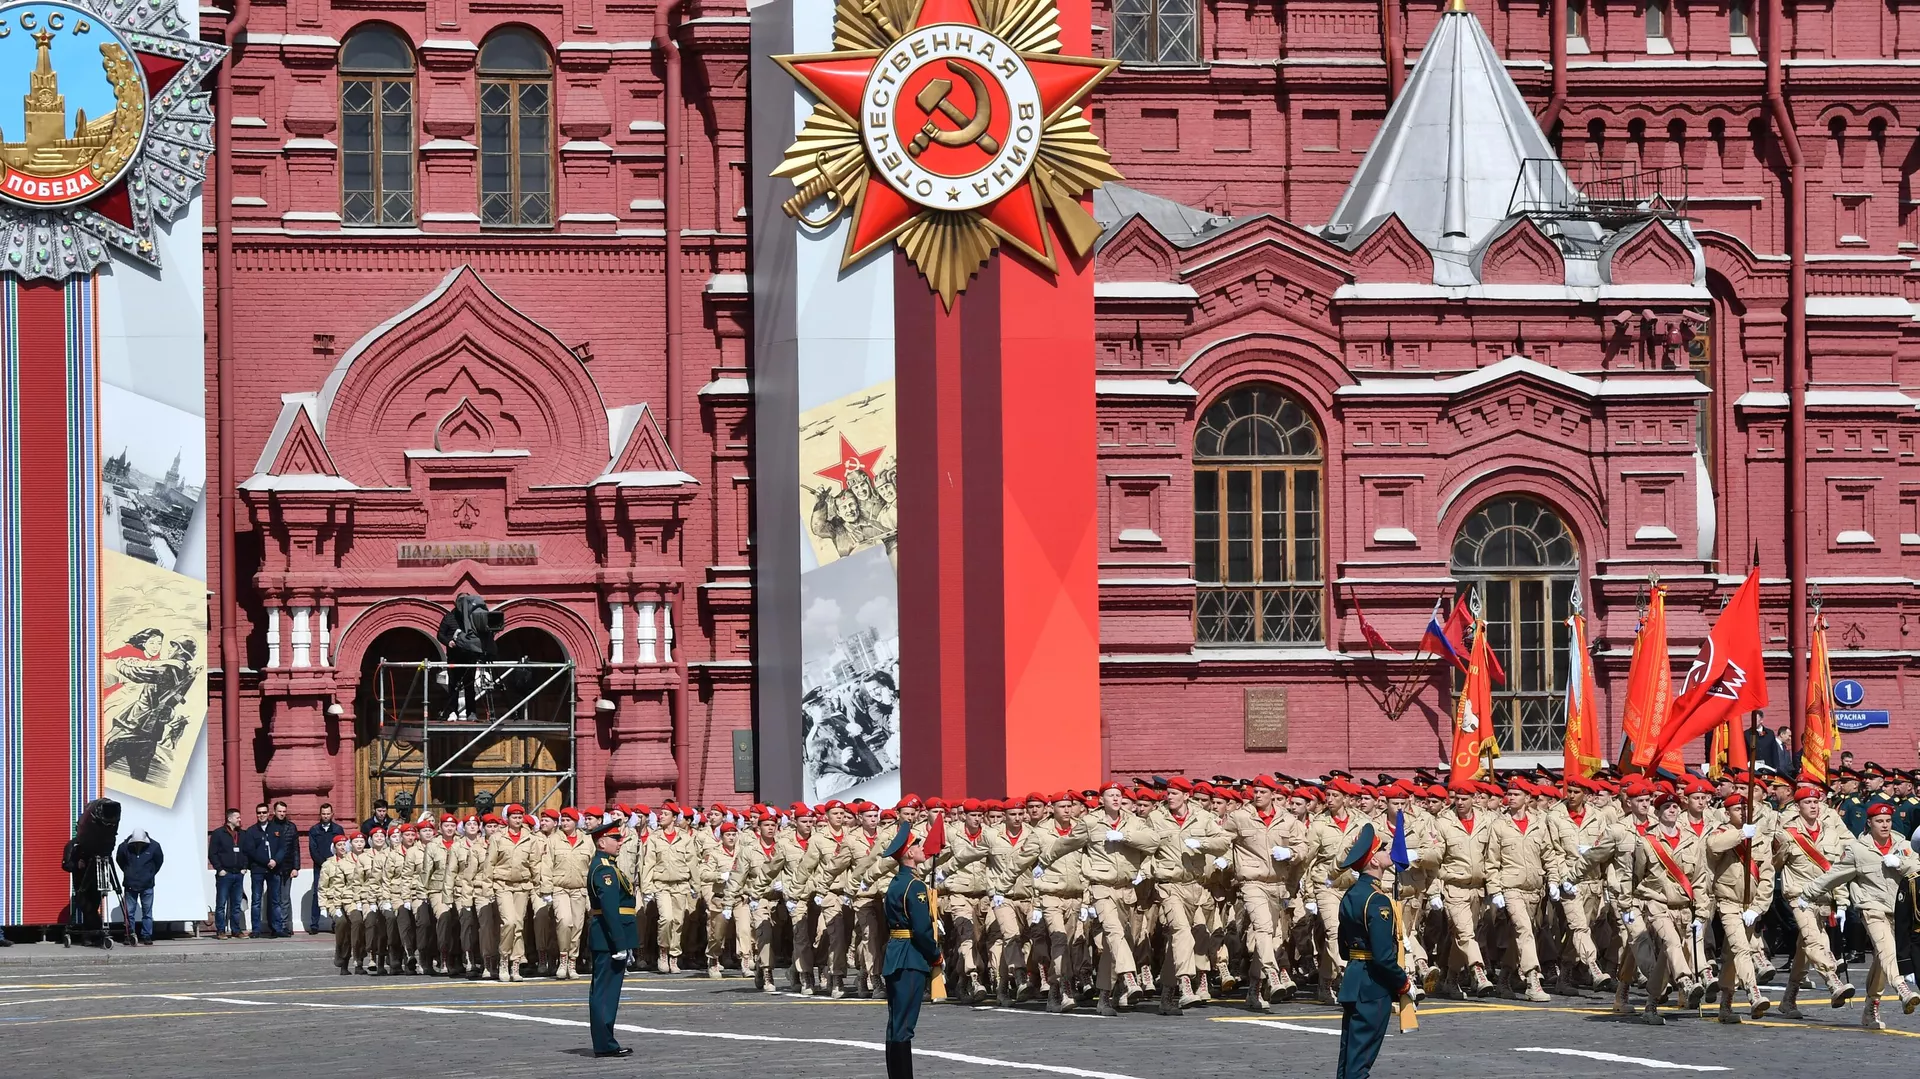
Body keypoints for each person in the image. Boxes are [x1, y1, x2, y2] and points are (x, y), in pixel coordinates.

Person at [1335, 822, 1410, 1079]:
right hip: (1373, 985)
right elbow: (1382, 955)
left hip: (1355, 978)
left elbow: (1343, 946)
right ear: (1374, 862)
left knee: (1349, 1057)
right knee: (1360, 1062)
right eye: (1382, 848)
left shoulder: (1352, 894)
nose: (1387, 850)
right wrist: (1403, 983)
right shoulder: (1377, 900)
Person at [881, 823, 939, 1079]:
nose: (921, 848)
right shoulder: (914, 887)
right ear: (908, 854)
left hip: (895, 954)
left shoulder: (896, 883)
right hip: (911, 957)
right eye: (917, 845)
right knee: (904, 1026)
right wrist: (935, 954)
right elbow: (922, 929)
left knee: (895, 1023)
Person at [586, 819, 637, 1058]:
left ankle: (606, 1041)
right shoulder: (604, 870)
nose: (620, 842)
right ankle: (605, 1044)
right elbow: (609, 910)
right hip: (608, 940)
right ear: (601, 842)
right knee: (605, 992)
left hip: (611, 939)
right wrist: (620, 944)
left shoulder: (608, 865)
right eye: (615, 839)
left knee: (608, 992)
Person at [115, 829, 164, 944]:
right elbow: (120, 860)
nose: (138, 845)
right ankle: (128, 934)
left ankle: (147, 935)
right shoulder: (124, 847)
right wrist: (128, 872)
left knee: (147, 912)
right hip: (130, 884)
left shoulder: (155, 846)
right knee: (129, 913)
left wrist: (150, 874)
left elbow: (159, 862)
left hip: (147, 885)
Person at [208, 807, 248, 938]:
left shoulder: (242, 834)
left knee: (236, 904)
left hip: (238, 874)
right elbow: (212, 853)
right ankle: (220, 930)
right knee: (221, 904)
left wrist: (244, 867)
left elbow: (246, 852)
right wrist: (219, 869)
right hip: (225, 875)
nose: (240, 820)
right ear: (229, 818)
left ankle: (236, 930)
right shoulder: (218, 833)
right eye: (237, 817)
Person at [307, 802, 345, 934]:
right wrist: (323, 863)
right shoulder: (314, 830)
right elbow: (313, 849)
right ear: (320, 814)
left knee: (336, 893)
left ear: (332, 814)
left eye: (328, 814)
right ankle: (314, 924)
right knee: (317, 893)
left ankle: (336, 923)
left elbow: (341, 846)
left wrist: (334, 863)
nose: (326, 816)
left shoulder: (338, 829)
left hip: (335, 866)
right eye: (323, 814)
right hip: (320, 866)